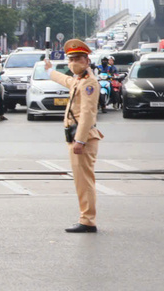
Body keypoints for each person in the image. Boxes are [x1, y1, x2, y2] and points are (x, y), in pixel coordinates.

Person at [45, 39, 103, 233]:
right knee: (81, 181)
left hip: (82, 138)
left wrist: (80, 140)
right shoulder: (79, 80)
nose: (73, 63)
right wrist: (50, 71)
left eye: (77, 59)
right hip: (75, 137)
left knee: (84, 181)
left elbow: (87, 114)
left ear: (87, 60)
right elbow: (66, 80)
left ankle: (87, 220)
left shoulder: (89, 83)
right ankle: (86, 218)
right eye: (70, 59)